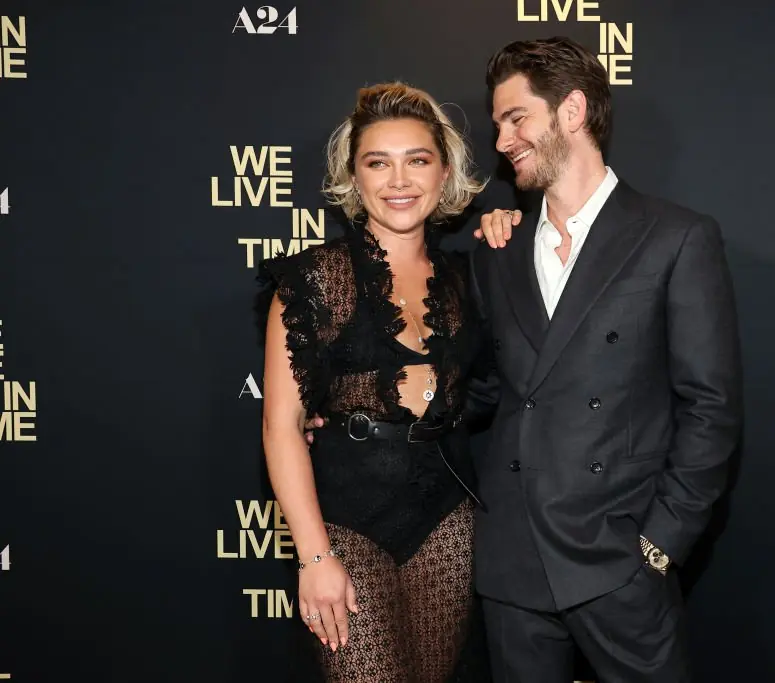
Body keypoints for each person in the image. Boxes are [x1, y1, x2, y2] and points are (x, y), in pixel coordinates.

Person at [466, 37, 744, 683]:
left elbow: (710, 404)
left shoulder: (675, 235)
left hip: (616, 553)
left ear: (571, 110)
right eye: (499, 124)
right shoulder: (495, 248)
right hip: (511, 557)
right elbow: (486, 388)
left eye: (515, 118)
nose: (502, 140)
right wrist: (367, 410)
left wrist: (660, 540)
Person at [257, 81, 497, 683]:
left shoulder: (473, 279)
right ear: (353, 178)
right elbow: (280, 425)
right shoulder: (315, 279)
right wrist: (314, 557)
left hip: (450, 519)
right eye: (378, 163)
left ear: (445, 175)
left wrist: (510, 224)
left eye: (417, 160)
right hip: (346, 524)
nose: (399, 180)